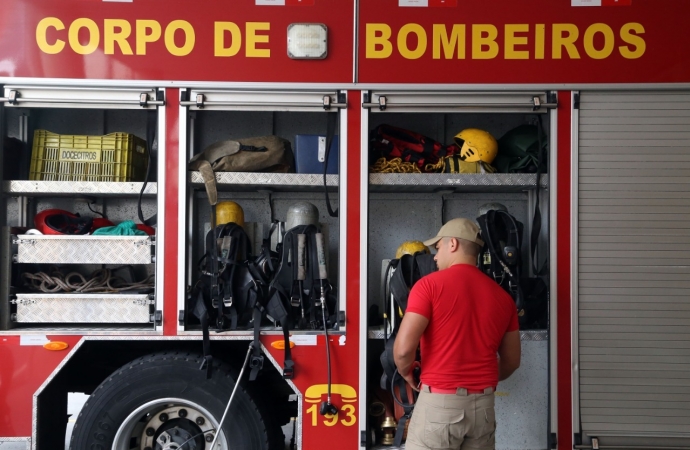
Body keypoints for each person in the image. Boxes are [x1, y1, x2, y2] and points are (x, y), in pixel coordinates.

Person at [394, 218, 521, 450]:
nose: (434, 256)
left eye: (438, 247)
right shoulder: (503, 297)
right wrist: (477, 381)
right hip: (483, 408)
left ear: (452, 244)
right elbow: (512, 361)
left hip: (439, 406)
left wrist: (407, 374)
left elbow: (403, 351)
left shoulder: (428, 286)